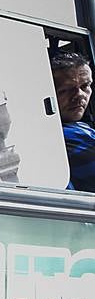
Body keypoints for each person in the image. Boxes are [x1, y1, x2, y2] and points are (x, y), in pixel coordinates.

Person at [51, 50, 95, 192]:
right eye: (66, 90)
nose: (79, 95)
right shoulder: (58, 137)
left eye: (85, 86)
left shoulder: (83, 128)